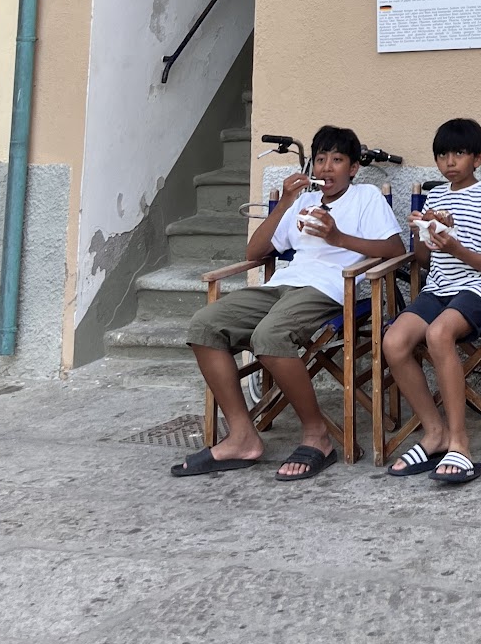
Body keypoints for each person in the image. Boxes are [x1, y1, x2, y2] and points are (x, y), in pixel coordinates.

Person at [171, 124, 404, 482]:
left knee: (270, 335)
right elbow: (255, 252)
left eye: (337, 160)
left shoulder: (366, 198)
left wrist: (337, 236)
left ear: (353, 168)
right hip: (282, 285)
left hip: (329, 288)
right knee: (204, 325)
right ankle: (242, 436)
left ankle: (318, 436)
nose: (326, 168)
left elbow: (396, 251)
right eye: (321, 159)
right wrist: (283, 204)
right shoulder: (304, 201)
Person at [383, 117, 481, 486]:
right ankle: (434, 431)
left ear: (478, 158)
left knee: (439, 335)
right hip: (438, 288)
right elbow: (425, 261)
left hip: (479, 288)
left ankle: (460, 443)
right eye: (442, 155)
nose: (450, 162)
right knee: (394, 341)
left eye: (459, 153)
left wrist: (455, 245)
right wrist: (423, 233)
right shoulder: (435, 197)